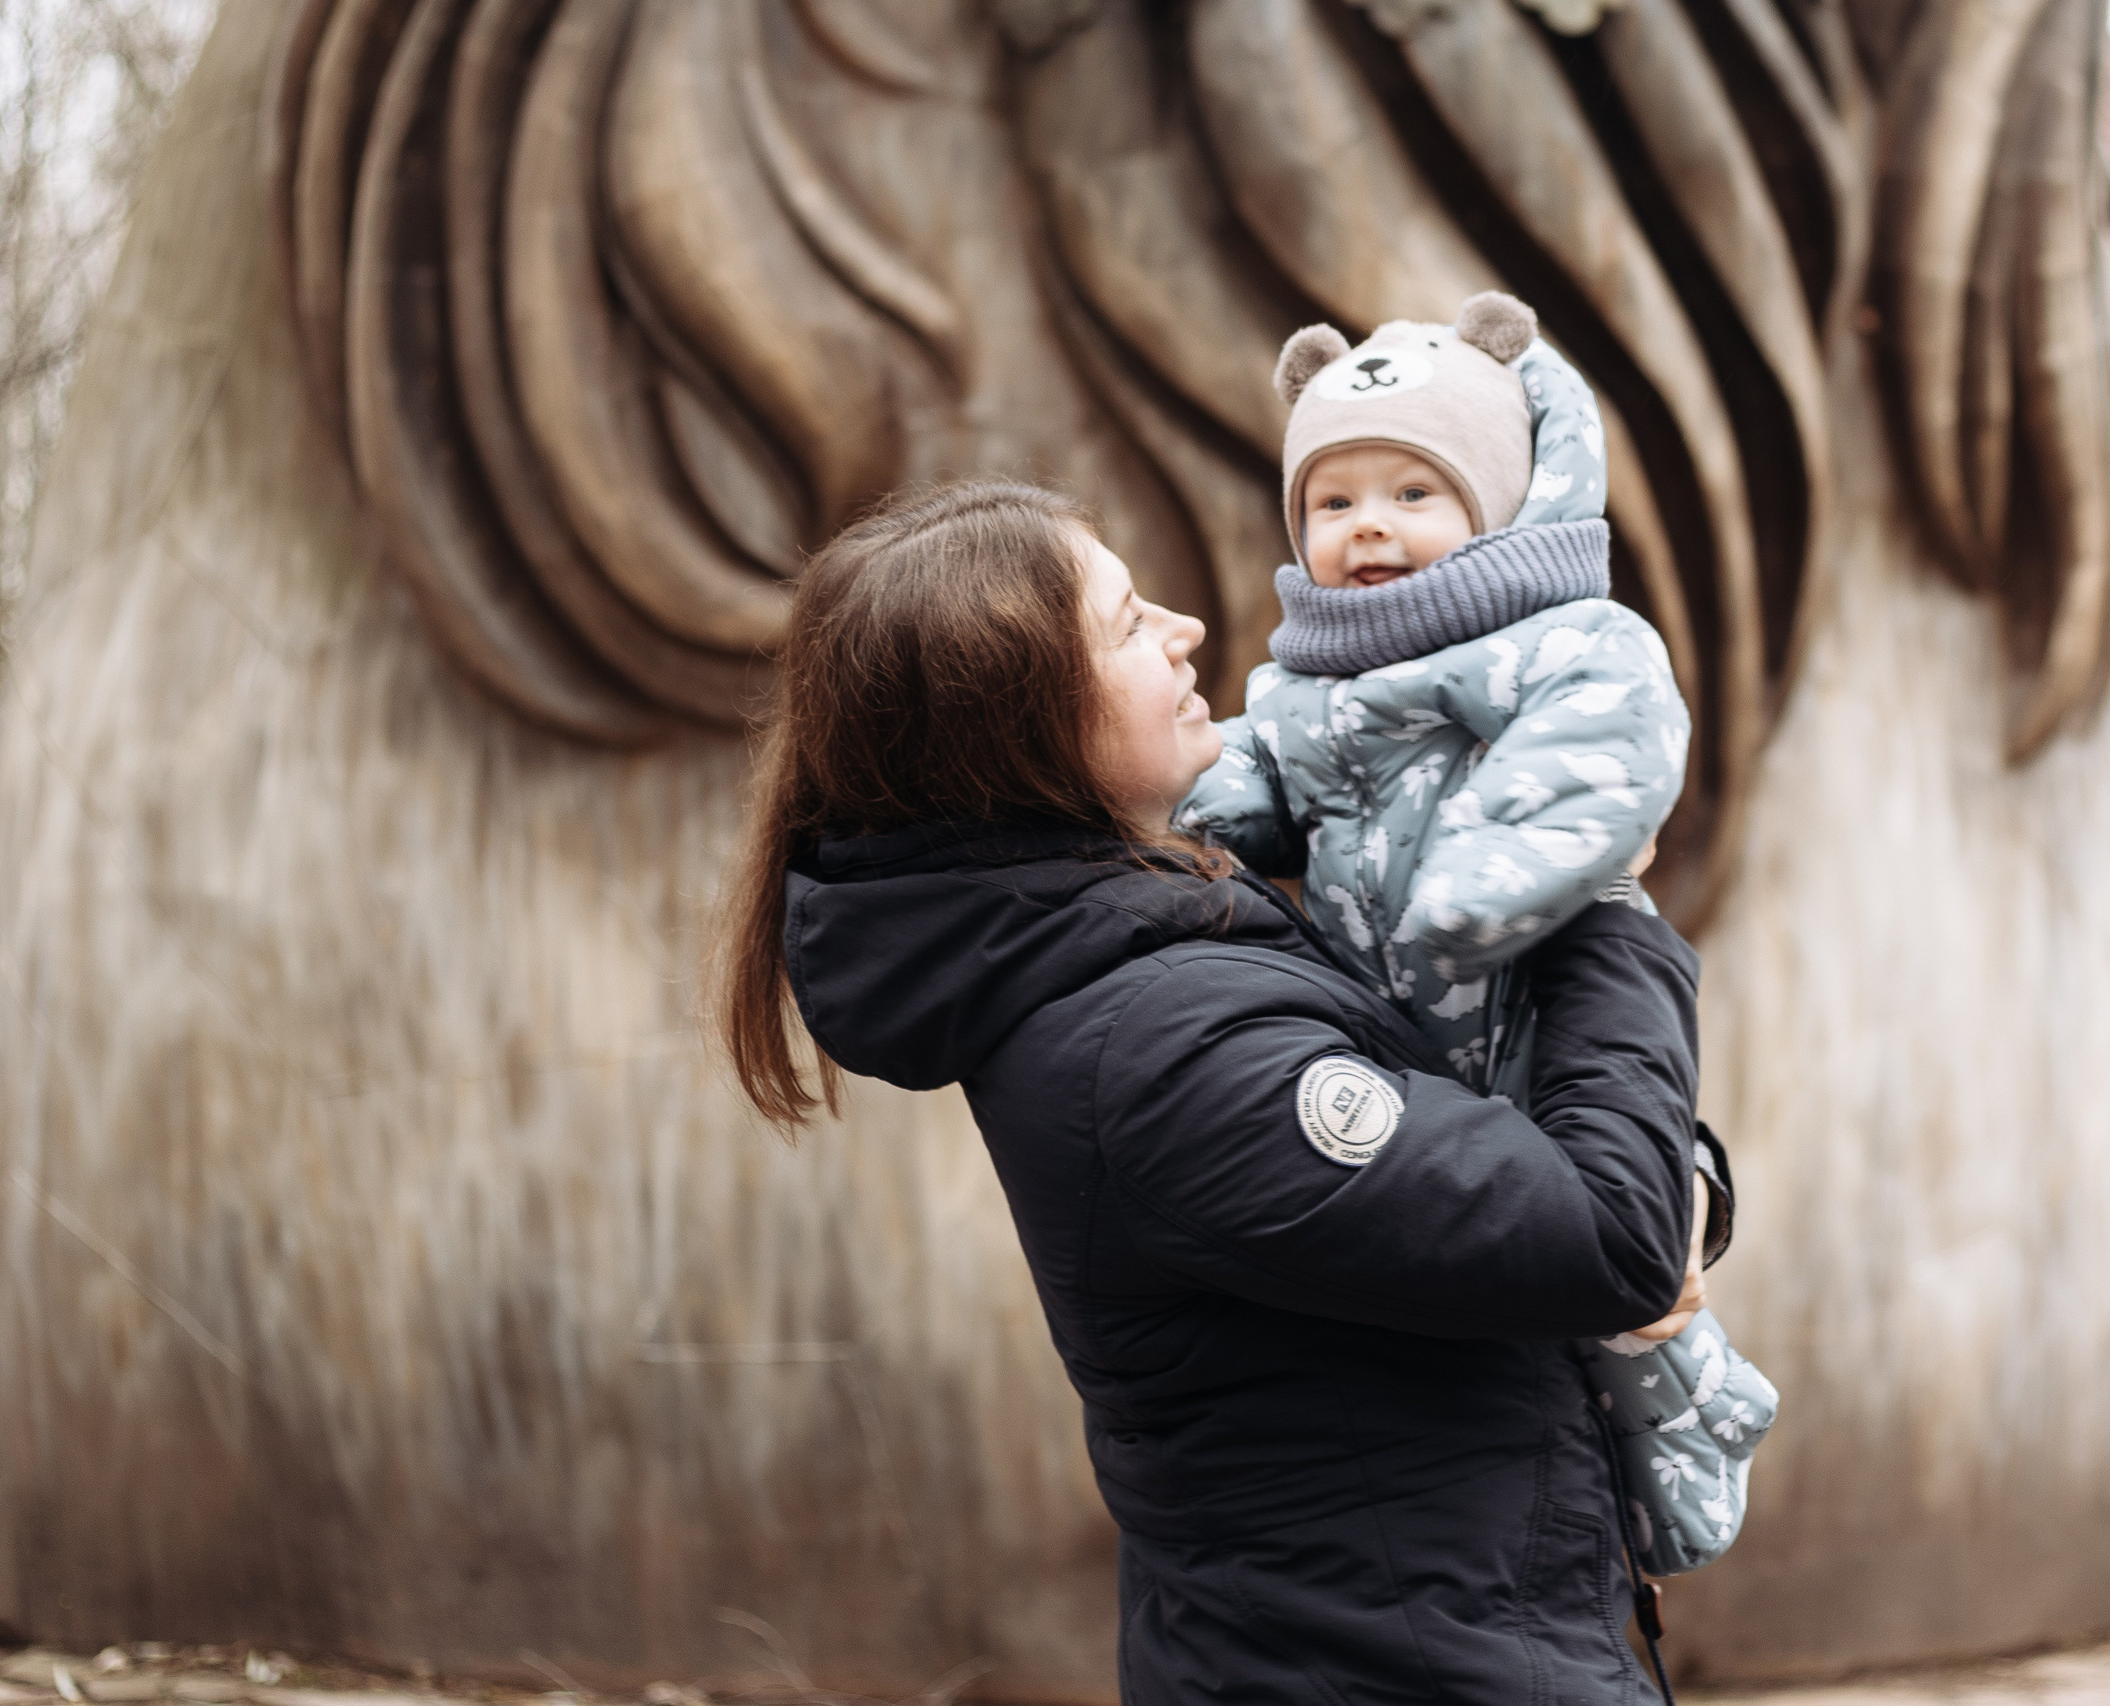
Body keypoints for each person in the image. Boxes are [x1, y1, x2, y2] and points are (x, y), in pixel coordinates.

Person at [717, 479, 1730, 1702]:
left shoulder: (1165, 941)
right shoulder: (1166, 1051)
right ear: (1023, 728)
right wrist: (1601, 900)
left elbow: (1548, 1190)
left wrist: (1681, 1188)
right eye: (1127, 621)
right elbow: (1605, 1238)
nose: (1186, 630)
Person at [1175, 294, 1776, 1581]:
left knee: (1632, 1295)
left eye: (1411, 491)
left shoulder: (1567, 639)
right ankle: (1616, 1494)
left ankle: (1700, 1433)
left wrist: (1481, 885)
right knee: (1518, 1296)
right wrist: (1179, 810)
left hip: (1528, 995)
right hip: (1397, 1051)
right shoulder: (1303, 688)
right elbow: (1242, 781)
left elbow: (1604, 759)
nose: (1368, 526)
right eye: (1332, 504)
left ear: (1500, 505)